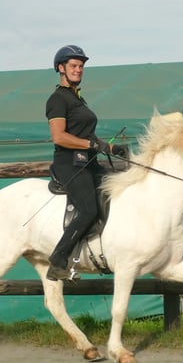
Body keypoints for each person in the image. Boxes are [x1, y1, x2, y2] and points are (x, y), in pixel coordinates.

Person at [45, 44, 127, 281]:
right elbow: (59, 136)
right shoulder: (57, 99)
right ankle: (58, 260)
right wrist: (92, 146)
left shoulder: (77, 100)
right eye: (73, 66)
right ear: (60, 68)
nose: (78, 70)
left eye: (81, 66)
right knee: (89, 209)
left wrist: (111, 148)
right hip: (68, 165)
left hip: (88, 163)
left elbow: (88, 137)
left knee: (119, 188)